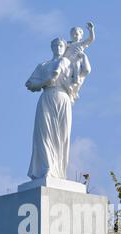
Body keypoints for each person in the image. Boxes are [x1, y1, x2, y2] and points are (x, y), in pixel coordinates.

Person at [25, 38, 73, 180]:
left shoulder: (67, 63)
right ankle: (47, 168)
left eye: (61, 45)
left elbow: (81, 73)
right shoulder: (43, 65)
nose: (58, 47)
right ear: (52, 47)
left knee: (62, 136)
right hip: (46, 97)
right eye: (56, 45)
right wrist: (45, 82)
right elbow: (29, 84)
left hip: (63, 98)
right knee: (45, 135)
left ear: (65, 47)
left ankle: (59, 171)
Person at [64, 22, 95, 101]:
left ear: (81, 36)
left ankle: (75, 82)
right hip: (67, 61)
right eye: (72, 34)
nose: (74, 36)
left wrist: (91, 30)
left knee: (76, 66)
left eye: (76, 34)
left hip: (76, 61)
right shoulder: (68, 44)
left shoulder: (81, 44)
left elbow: (90, 39)